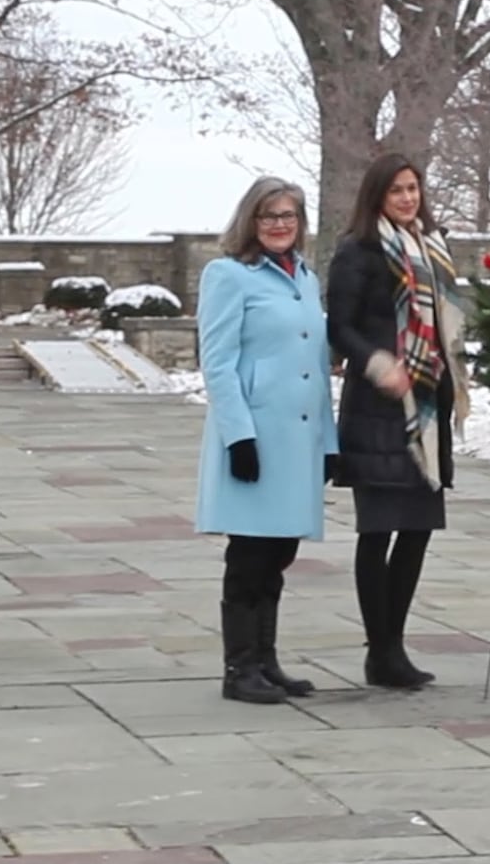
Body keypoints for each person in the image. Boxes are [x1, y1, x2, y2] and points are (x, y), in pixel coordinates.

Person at [327, 152, 470, 690]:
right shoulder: (359, 252)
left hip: (426, 406)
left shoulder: (433, 250)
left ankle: (395, 645)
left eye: (413, 189)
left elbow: (445, 323)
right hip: (379, 409)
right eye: (397, 191)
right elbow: (339, 326)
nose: (408, 198)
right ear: (377, 197)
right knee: (378, 530)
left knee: (417, 531)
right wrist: (375, 362)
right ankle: (379, 649)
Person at [195, 176, 339, 704]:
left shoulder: (303, 277)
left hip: (297, 441)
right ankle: (239, 669)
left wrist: (328, 442)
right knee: (250, 555)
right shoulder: (229, 275)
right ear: (250, 221)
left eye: (289, 216)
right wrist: (239, 437)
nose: (281, 225)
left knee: (279, 552)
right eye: (269, 215)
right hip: (257, 436)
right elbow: (218, 361)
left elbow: (315, 366)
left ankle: (266, 658)